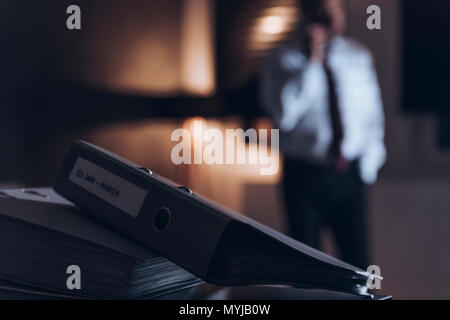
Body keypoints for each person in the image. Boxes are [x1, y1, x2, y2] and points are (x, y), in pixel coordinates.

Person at [260, 0, 386, 269]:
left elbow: (373, 114)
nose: (331, 17)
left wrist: (368, 166)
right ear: (307, 13)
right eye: (323, 10)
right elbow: (283, 115)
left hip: (349, 175)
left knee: (359, 268)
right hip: (303, 177)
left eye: (336, 10)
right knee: (305, 268)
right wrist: (312, 63)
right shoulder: (280, 60)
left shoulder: (359, 56)